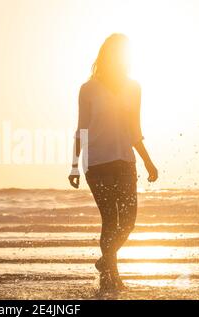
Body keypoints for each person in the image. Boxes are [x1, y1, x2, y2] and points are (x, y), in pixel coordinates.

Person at [68, 34, 158, 292]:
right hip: (97, 164)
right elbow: (81, 129)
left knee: (129, 221)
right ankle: (112, 279)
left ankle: (105, 261)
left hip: (125, 161)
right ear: (105, 55)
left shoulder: (134, 87)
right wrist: (74, 165)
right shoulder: (89, 89)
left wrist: (148, 162)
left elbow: (134, 130)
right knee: (110, 220)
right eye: (114, 52)